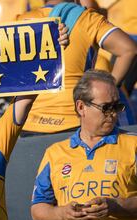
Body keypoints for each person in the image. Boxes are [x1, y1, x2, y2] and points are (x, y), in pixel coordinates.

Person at [31, 70, 137, 220]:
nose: (114, 113)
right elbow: (38, 209)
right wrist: (62, 213)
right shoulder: (55, 152)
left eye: (117, 106)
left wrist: (116, 206)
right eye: (106, 107)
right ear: (81, 107)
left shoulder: (133, 144)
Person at [17, 0, 137, 134]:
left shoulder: (21, 20)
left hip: (27, 122)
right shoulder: (88, 18)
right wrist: (111, 88)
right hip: (74, 121)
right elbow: (129, 49)